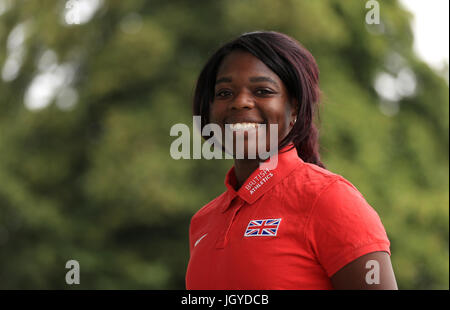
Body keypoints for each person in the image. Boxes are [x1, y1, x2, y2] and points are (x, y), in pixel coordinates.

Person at [185, 31, 398, 290]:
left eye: (263, 91)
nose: (240, 102)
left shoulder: (331, 200)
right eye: (224, 92)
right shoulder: (203, 221)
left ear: (295, 107)